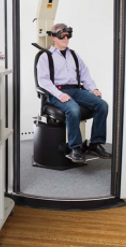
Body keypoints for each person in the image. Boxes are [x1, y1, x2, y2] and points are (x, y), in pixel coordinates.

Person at [37, 23, 112, 163]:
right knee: (73, 109)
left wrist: (93, 89)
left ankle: (95, 144)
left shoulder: (74, 55)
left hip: (76, 90)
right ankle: (75, 147)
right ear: (53, 37)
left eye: (68, 35)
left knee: (102, 105)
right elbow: (43, 81)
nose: (66, 39)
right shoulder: (45, 56)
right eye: (62, 36)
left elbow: (85, 75)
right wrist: (59, 94)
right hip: (57, 92)